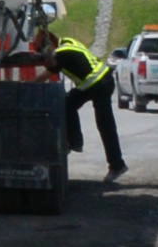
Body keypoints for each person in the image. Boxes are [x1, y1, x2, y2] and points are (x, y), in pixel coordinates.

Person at [51, 32, 123, 183]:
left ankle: (116, 165)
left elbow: (47, 72)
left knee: (105, 126)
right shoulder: (69, 41)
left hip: (98, 83)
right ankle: (75, 141)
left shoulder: (61, 53)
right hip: (96, 82)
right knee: (68, 104)